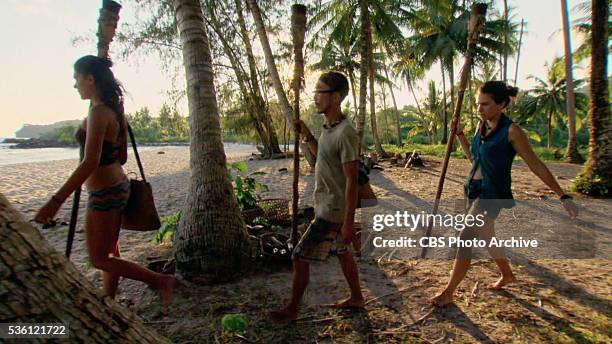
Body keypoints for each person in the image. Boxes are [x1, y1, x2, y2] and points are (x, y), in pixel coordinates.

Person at [35, 55, 175, 314]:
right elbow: (120, 157)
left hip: (105, 192)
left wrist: (55, 201)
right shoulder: (113, 111)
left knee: (99, 258)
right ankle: (109, 303)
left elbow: (90, 162)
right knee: (109, 251)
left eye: (76, 78)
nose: (74, 85)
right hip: (117, 185)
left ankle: (160, 280)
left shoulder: (99, 113)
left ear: (90, 79)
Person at [430, 80, 578, 307]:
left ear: (502, 105)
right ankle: (507, 274)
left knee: (466, 236)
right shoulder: (482, 127)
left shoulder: (512, 131)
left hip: (493, 194)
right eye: (478, 104)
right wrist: (460, 135)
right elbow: (474, 159)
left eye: (485, 104)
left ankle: (449, 291)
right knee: (487, 235)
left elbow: (536, 164)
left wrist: (562, 194)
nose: (479, 109)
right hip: (473, 190)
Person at [269, 71, 364, 323]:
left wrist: (347, 222)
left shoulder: (345, 133)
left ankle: (293, 308)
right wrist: (308, 135)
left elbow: (352, 180)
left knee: (299, 256)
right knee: (343, 252)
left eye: (320, 92)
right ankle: (357, 297)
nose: (315, 98)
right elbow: (321, 156)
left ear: (335, 97)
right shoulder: (328, 129)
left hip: (333, 209)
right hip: (327, 204)